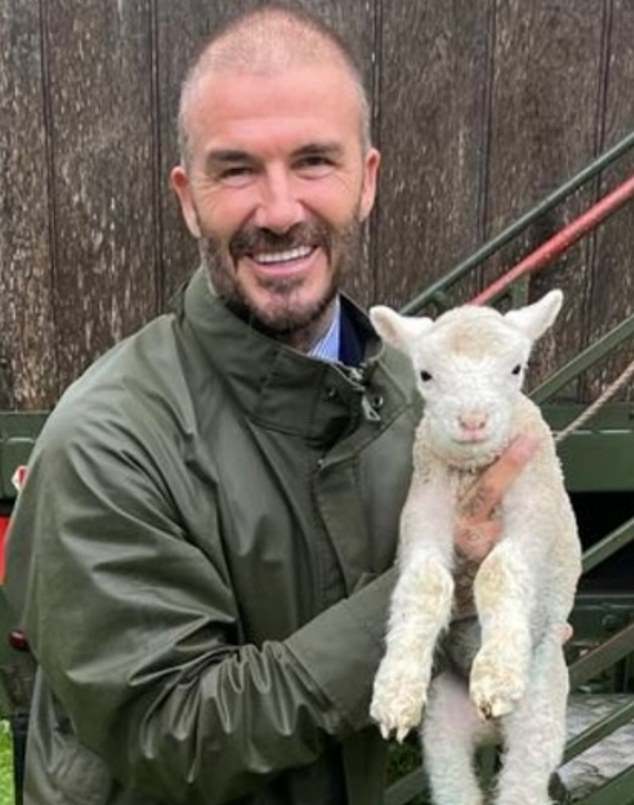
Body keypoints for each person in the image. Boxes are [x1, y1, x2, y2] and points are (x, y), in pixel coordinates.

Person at [5, 4, 537, 804]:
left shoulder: (405, 398)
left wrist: (500, 622)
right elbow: (173, 730)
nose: (280, 209)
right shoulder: (106, 443)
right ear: (188, 198)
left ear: (368, 181)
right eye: (237, 169)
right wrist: (439, 585)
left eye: (315, 161)